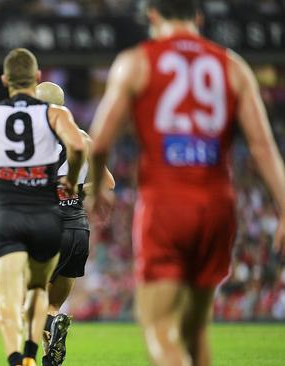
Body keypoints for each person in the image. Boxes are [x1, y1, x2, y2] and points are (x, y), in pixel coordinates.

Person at [88, 1, 285, 365]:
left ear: (151, 15)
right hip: (218, 206)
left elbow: (99, 142)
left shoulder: (137, 62)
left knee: (160, 328)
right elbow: (262, 146)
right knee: (196, 332)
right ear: (198, 16)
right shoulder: (233, 65)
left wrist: (97, 185)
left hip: (164, 203)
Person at [0, 48, 85, 366]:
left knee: (9, 301)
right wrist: (69, 183)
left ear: (4, 80)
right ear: (37, 78)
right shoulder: (56, 115)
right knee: (40, 288)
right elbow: (79, 145)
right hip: (46, 217)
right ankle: (31, 352)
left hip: (8, 214)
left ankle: (17, 360)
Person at [35, 82, 115, 366]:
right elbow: (108, 183)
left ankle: (46, 328)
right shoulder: (83, 139)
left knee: (27, 303)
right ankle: (50, 358)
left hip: (45, 228)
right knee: (53, 306)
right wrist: (77, 191)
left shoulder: (31, 143)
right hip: (77, 229)